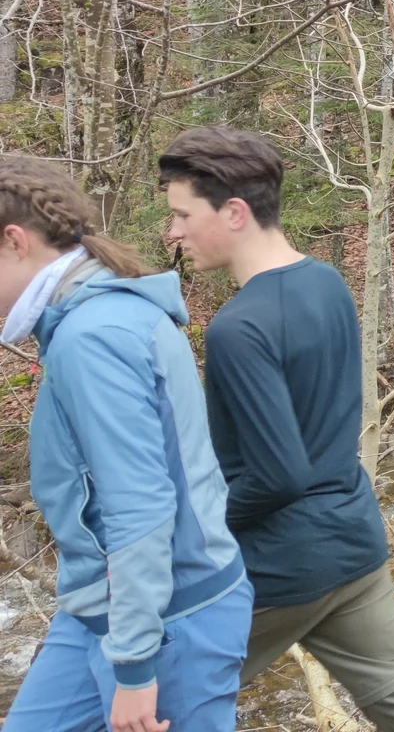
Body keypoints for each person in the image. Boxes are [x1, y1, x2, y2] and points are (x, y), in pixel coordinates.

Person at [158, 127, 394, 732]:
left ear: (234, 212)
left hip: (279, 567)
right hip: (352, 544)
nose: (174, 233)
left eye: (183, 215)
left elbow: (279, 474)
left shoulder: (237, 330)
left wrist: (190, 529)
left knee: (144, 702)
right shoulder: (326, 282)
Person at [0, 156, 252, 732]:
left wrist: (136, 669)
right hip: (102, 608)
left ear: (15, 241)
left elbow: (139, 505)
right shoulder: (94, 318)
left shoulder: (95, 336)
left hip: (168, 623)